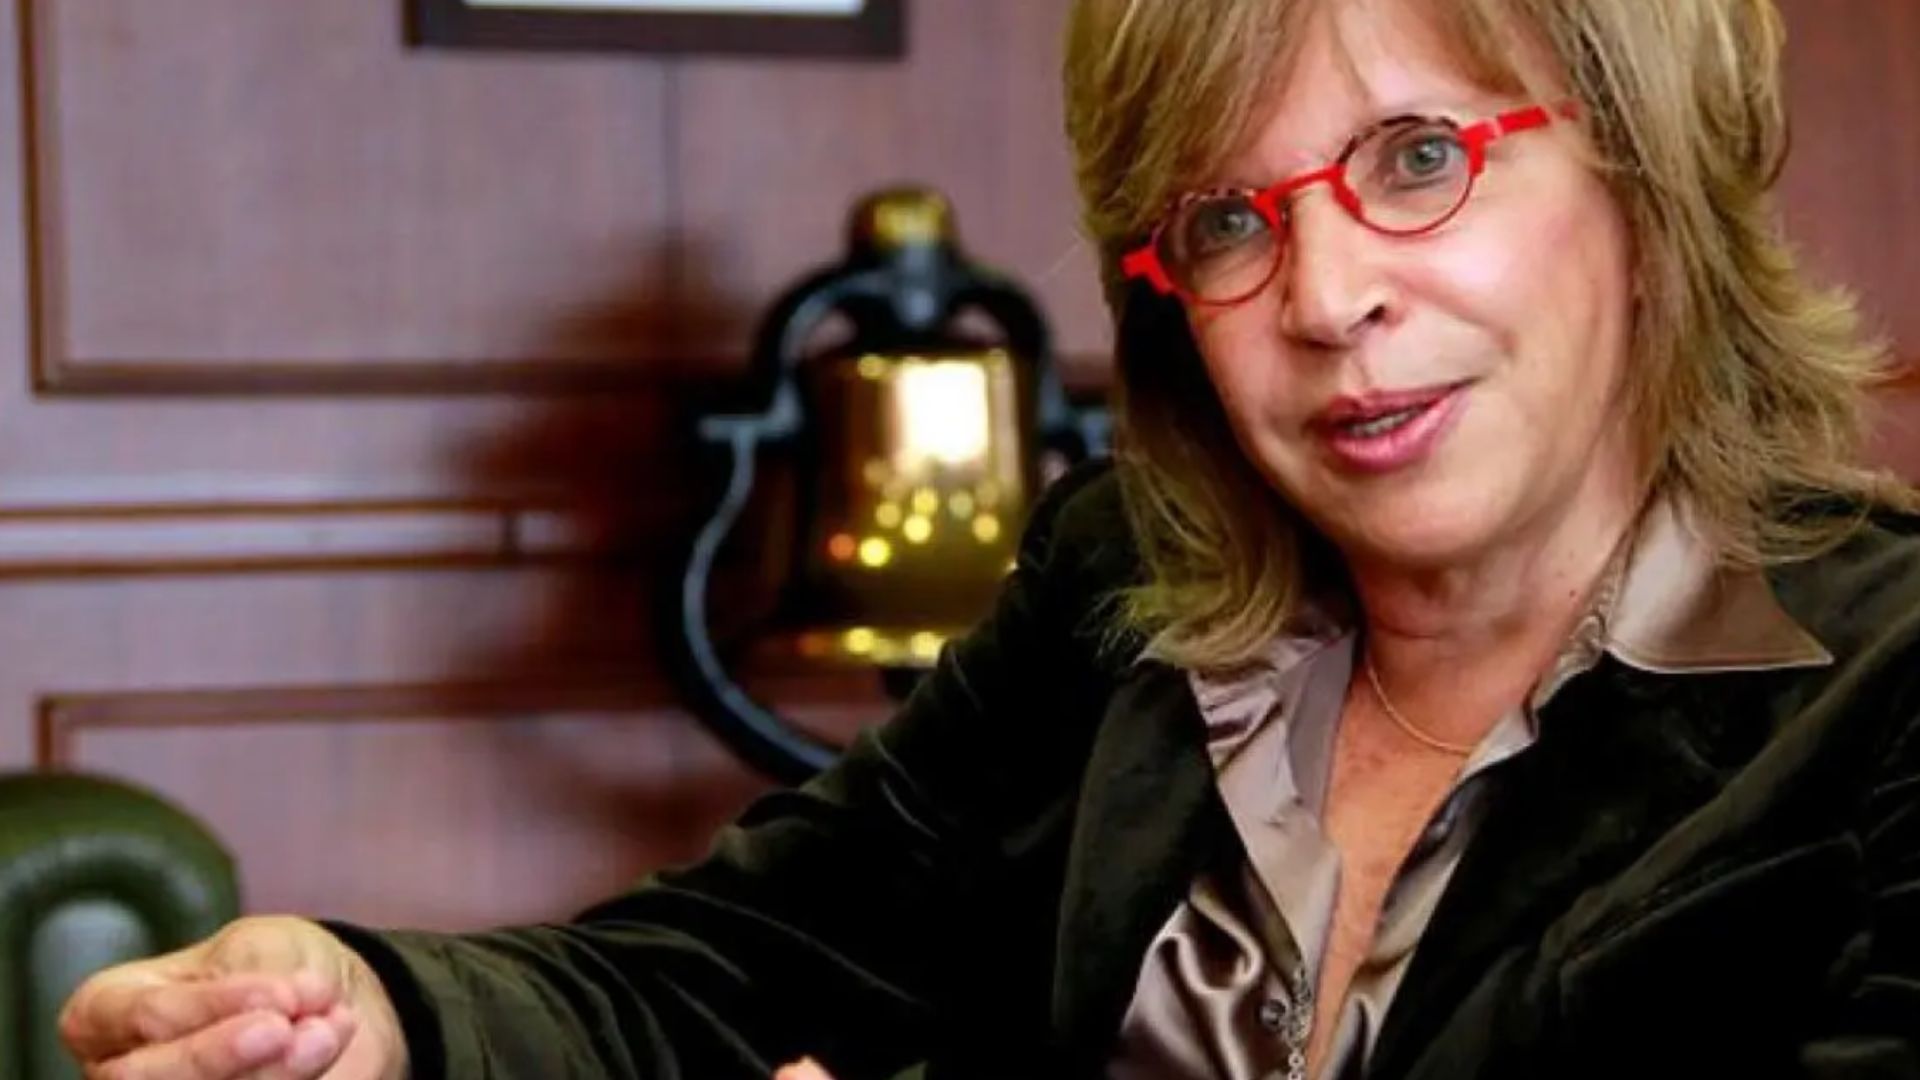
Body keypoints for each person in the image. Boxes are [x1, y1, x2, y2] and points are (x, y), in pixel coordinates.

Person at [58, 0, 1920, 1076]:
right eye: (1225, 220)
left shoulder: (1895, 690)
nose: (1326, 294)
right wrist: (378, 1018)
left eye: (1419, 158)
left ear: (1649, 173)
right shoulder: (1124, 594)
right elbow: (718, 975)